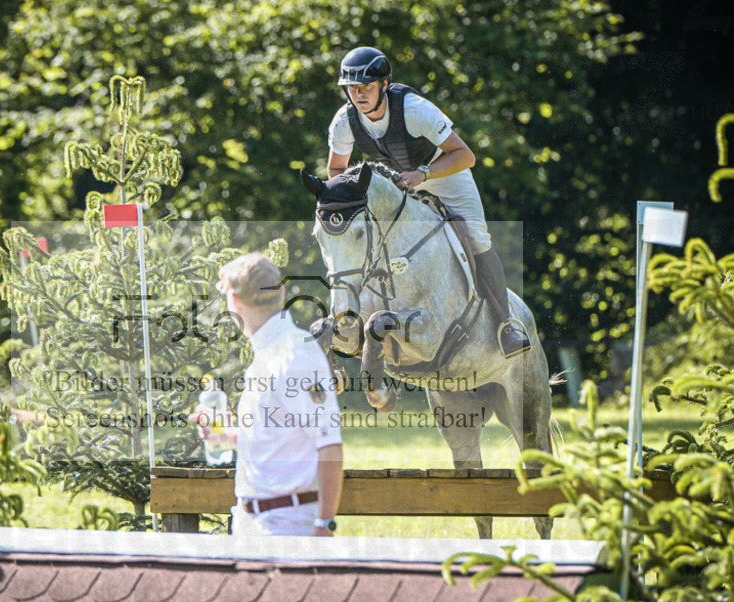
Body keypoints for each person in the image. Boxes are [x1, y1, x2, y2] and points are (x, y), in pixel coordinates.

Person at [326, 45, 531, 358]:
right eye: (352, 88)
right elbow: (336, 171)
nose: (358, 94)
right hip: (396, 182)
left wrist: (423, 174)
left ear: (384, 84)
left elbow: (465, 155)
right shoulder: (344, 121)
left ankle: (508, 325)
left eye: (366, 86)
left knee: (477, 237)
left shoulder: (414, 110)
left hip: (443, 172)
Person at [192, 253, 344, 536]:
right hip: (253, 522)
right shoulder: (271, 351)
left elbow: (330, 445)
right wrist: (224, 435)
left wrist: (325, 524)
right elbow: (278, 437)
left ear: (234, 301)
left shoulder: (295, 353)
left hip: (286, 526)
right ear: (282, 292)